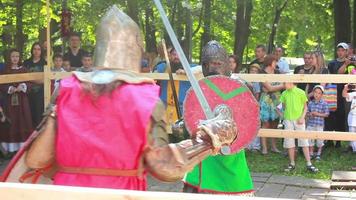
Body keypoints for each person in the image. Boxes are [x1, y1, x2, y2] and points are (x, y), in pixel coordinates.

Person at [22, 6, 238, 190]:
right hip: (121, 192)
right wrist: (207, 140)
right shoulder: (145, 99)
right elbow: (165, 167)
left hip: (69, 193)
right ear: (136, 49)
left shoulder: (66, 90)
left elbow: (36, 159)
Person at [183, 41, 254, 195]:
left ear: (226, 64)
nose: (212, 68)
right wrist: (183, 125)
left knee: (231, 188)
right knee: (195, 189)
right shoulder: (199, 88)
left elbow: (247, 121)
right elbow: (193, 117)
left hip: (228, 150)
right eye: (208, 64)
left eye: (217, 63)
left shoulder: (241, 87)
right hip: (202, 154)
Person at [280, 82, 318, 173]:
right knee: (289, 141)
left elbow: (305, 107)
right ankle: (292, 163)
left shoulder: (301, 92)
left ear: (292, 83)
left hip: (299, 120)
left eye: (285, 83)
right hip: (288, 120)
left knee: (304, 141)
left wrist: (302, 117)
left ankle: (309, 163)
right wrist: (283, 116)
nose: (284, 85)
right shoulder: (284, 93)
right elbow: (283, 106)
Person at [0, 49, 33, 156]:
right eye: (13, 56)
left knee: (22, 120)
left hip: (22, 101)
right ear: (9, 57)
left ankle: (22, 148)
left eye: (17, 56)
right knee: (11, 121)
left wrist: (22, 86)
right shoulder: (5, 70)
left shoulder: (24, 69)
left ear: (19, 58)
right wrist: (10, 88)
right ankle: (9, 149)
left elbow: (29, 83)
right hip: (9, 101)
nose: (15, 58)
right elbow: (1, 84)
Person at [154, 48, 193, 134]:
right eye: (174, 54)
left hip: (182, 113)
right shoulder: (163, 67)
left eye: (179, 55)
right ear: (170, 56)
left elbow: (201, 69)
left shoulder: (190, 68)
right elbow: (153, 74)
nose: (176, 57)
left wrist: (188, 71)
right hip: (164, 111)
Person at [259, 55, 284, 155]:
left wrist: (273, 87)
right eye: (275, 62)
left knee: (275, 123)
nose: (276, 64)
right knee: (265, 123)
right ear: (270, 62)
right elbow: (269, 88)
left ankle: (274, 147)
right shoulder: (262, 73)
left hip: (277, 100)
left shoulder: (277, 72)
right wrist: (281, 86)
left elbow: (271, 87)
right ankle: (264, 148)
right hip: (266, 100)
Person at [326, 43, 349, 148]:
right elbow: (337, 75)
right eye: (339, 50)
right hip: (332, 93)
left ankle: (339, 141)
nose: (340, 52)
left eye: (343, 50)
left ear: (346, 52)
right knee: (331, 116)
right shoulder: (332, 63)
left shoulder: (351, 64)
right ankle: (329, 140)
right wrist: (345, 64)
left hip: (344, 94)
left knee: (341, 115)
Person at [23, 42, 46, 128]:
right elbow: (23, 78)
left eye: (38, 49)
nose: (36, 51)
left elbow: (44, 80)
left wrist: (31, 79)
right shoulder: (26, 63)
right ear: (32, 50)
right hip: (28, 93)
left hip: (40, 94)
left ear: (41, 51)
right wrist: (33, 79)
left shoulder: (45, 63)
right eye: (35, 49)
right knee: (29, 115)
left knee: (39, 115)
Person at [307, 85, 329, 160]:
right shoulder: (310, 103)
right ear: (313, 93)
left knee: (320, 140)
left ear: (322, 95)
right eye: (315, 92)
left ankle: (318, 154)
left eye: (319, 93)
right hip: (311, 124)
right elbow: (307, 113)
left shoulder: (324, 103)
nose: (317, 94)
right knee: (310, 139)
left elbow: (326, 114)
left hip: (319, 125)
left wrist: (318, 114)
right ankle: (311, 153)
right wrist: (310, 114)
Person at [247, 64, 261, 151]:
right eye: (252, 70)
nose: (253, 72)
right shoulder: (245, 81)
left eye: (255, 71)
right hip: (245, 106)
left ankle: (255, 146)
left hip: (253, 105)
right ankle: (247, 145)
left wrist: (254, 105)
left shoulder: (257, 83)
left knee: (255, 125)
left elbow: (257, 95)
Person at [342, 84, 356, 153]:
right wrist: (345, 88)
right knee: (352, 132)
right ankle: (354, 149)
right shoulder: (354, 93)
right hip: (353, 116)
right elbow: (344, 95)